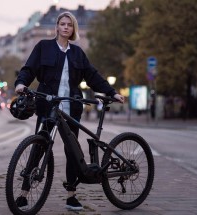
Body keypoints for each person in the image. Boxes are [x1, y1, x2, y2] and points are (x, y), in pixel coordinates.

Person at [14, 11, 124, 211]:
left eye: (69, 25)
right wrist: (21, 83)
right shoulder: (43, 47)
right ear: (56, 27)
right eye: (62, 24)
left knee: (72, 151)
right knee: (38, 148)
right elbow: (29, 68)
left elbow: (92, 76)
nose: (65, 27)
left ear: (73, 29)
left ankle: (71, 195)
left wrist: (111, 92)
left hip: (71, 107)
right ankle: (23, 194)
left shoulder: (77, 53)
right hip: (48, 106)